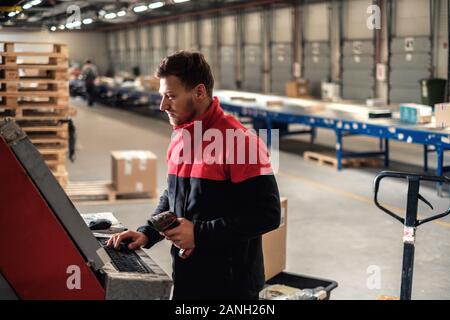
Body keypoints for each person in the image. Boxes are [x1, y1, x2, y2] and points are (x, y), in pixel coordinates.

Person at [108, 51, 281, 300]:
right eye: (162, 96)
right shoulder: (182, 136)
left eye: (171, 96)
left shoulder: (239, 141)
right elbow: (173, 194)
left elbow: (267, 215)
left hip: (231, 287)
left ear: (199, 92)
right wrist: (148, 232)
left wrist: (199, 233)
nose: (162, 106)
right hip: (188, 277)